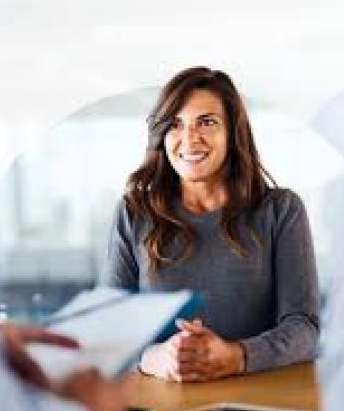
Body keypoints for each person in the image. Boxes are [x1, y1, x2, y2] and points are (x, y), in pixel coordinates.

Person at [106, 66, 320, 382]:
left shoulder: (281, 210)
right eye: (175, 124)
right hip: (161, 399)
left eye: (206, 122)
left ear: (233, 133)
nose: (189, 138)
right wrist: (157, 358)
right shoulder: (134, 212)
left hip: (258, 397)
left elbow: (304, 328)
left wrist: (236, 356)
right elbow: (111, 330)